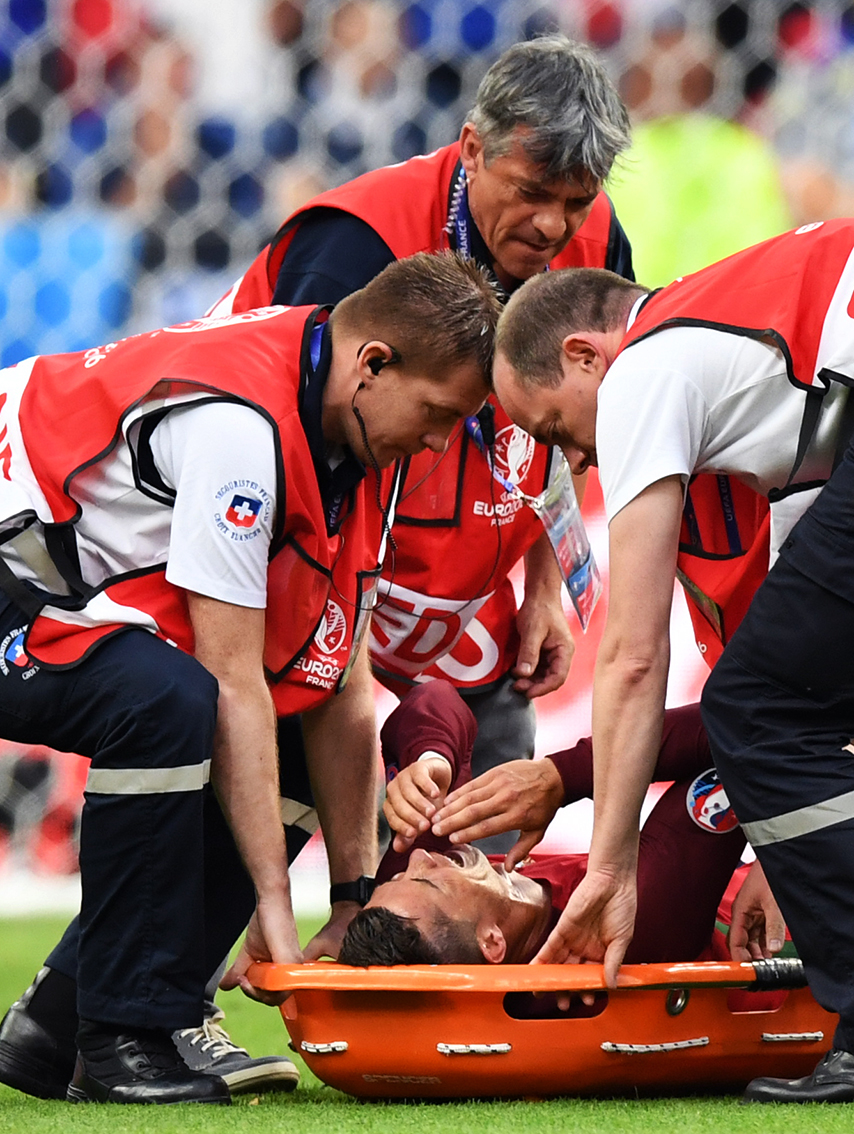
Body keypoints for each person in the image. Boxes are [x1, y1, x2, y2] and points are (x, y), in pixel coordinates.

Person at [0, 251, 501, 1105]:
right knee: (167, 700)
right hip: (14, 572)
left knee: (284, 718)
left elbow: (339, 679)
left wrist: (350, 897)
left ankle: (56, 1023)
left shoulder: (353, 426)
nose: (438, 443)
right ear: (374, 364)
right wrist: (273, 898)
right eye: (438, 414)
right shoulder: (242, 428)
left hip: (50, 581)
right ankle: (124, 1035)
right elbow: (230, 677)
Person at [211, 35, 634, 853]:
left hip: (461, 588)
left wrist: (546, 587)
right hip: (305, 569)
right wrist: (349, 667)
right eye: (531, 192)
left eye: (577, 201)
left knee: (477, 872)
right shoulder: (353, 246)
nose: (553, 225)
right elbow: (282, 454)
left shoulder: (595, 241)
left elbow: (576, 420)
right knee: (240, 847)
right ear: (472, 149)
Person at [488, 218, 854, 1102]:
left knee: (756, 706)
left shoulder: (644, 369)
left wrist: (609, 868)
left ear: (585, 356)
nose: (577, 458)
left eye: (556, 426)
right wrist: (785, 846)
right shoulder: (750, 365)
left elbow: (632, 655)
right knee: (776, 702)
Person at [338, 680, 752, 976]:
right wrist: (560, 778)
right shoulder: (633, 922)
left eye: (400, 875)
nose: (419, 856)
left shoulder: (417, 909)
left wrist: (431, 758)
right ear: (492, 941)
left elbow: (434, 698)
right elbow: (744, 732)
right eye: (429, 881)